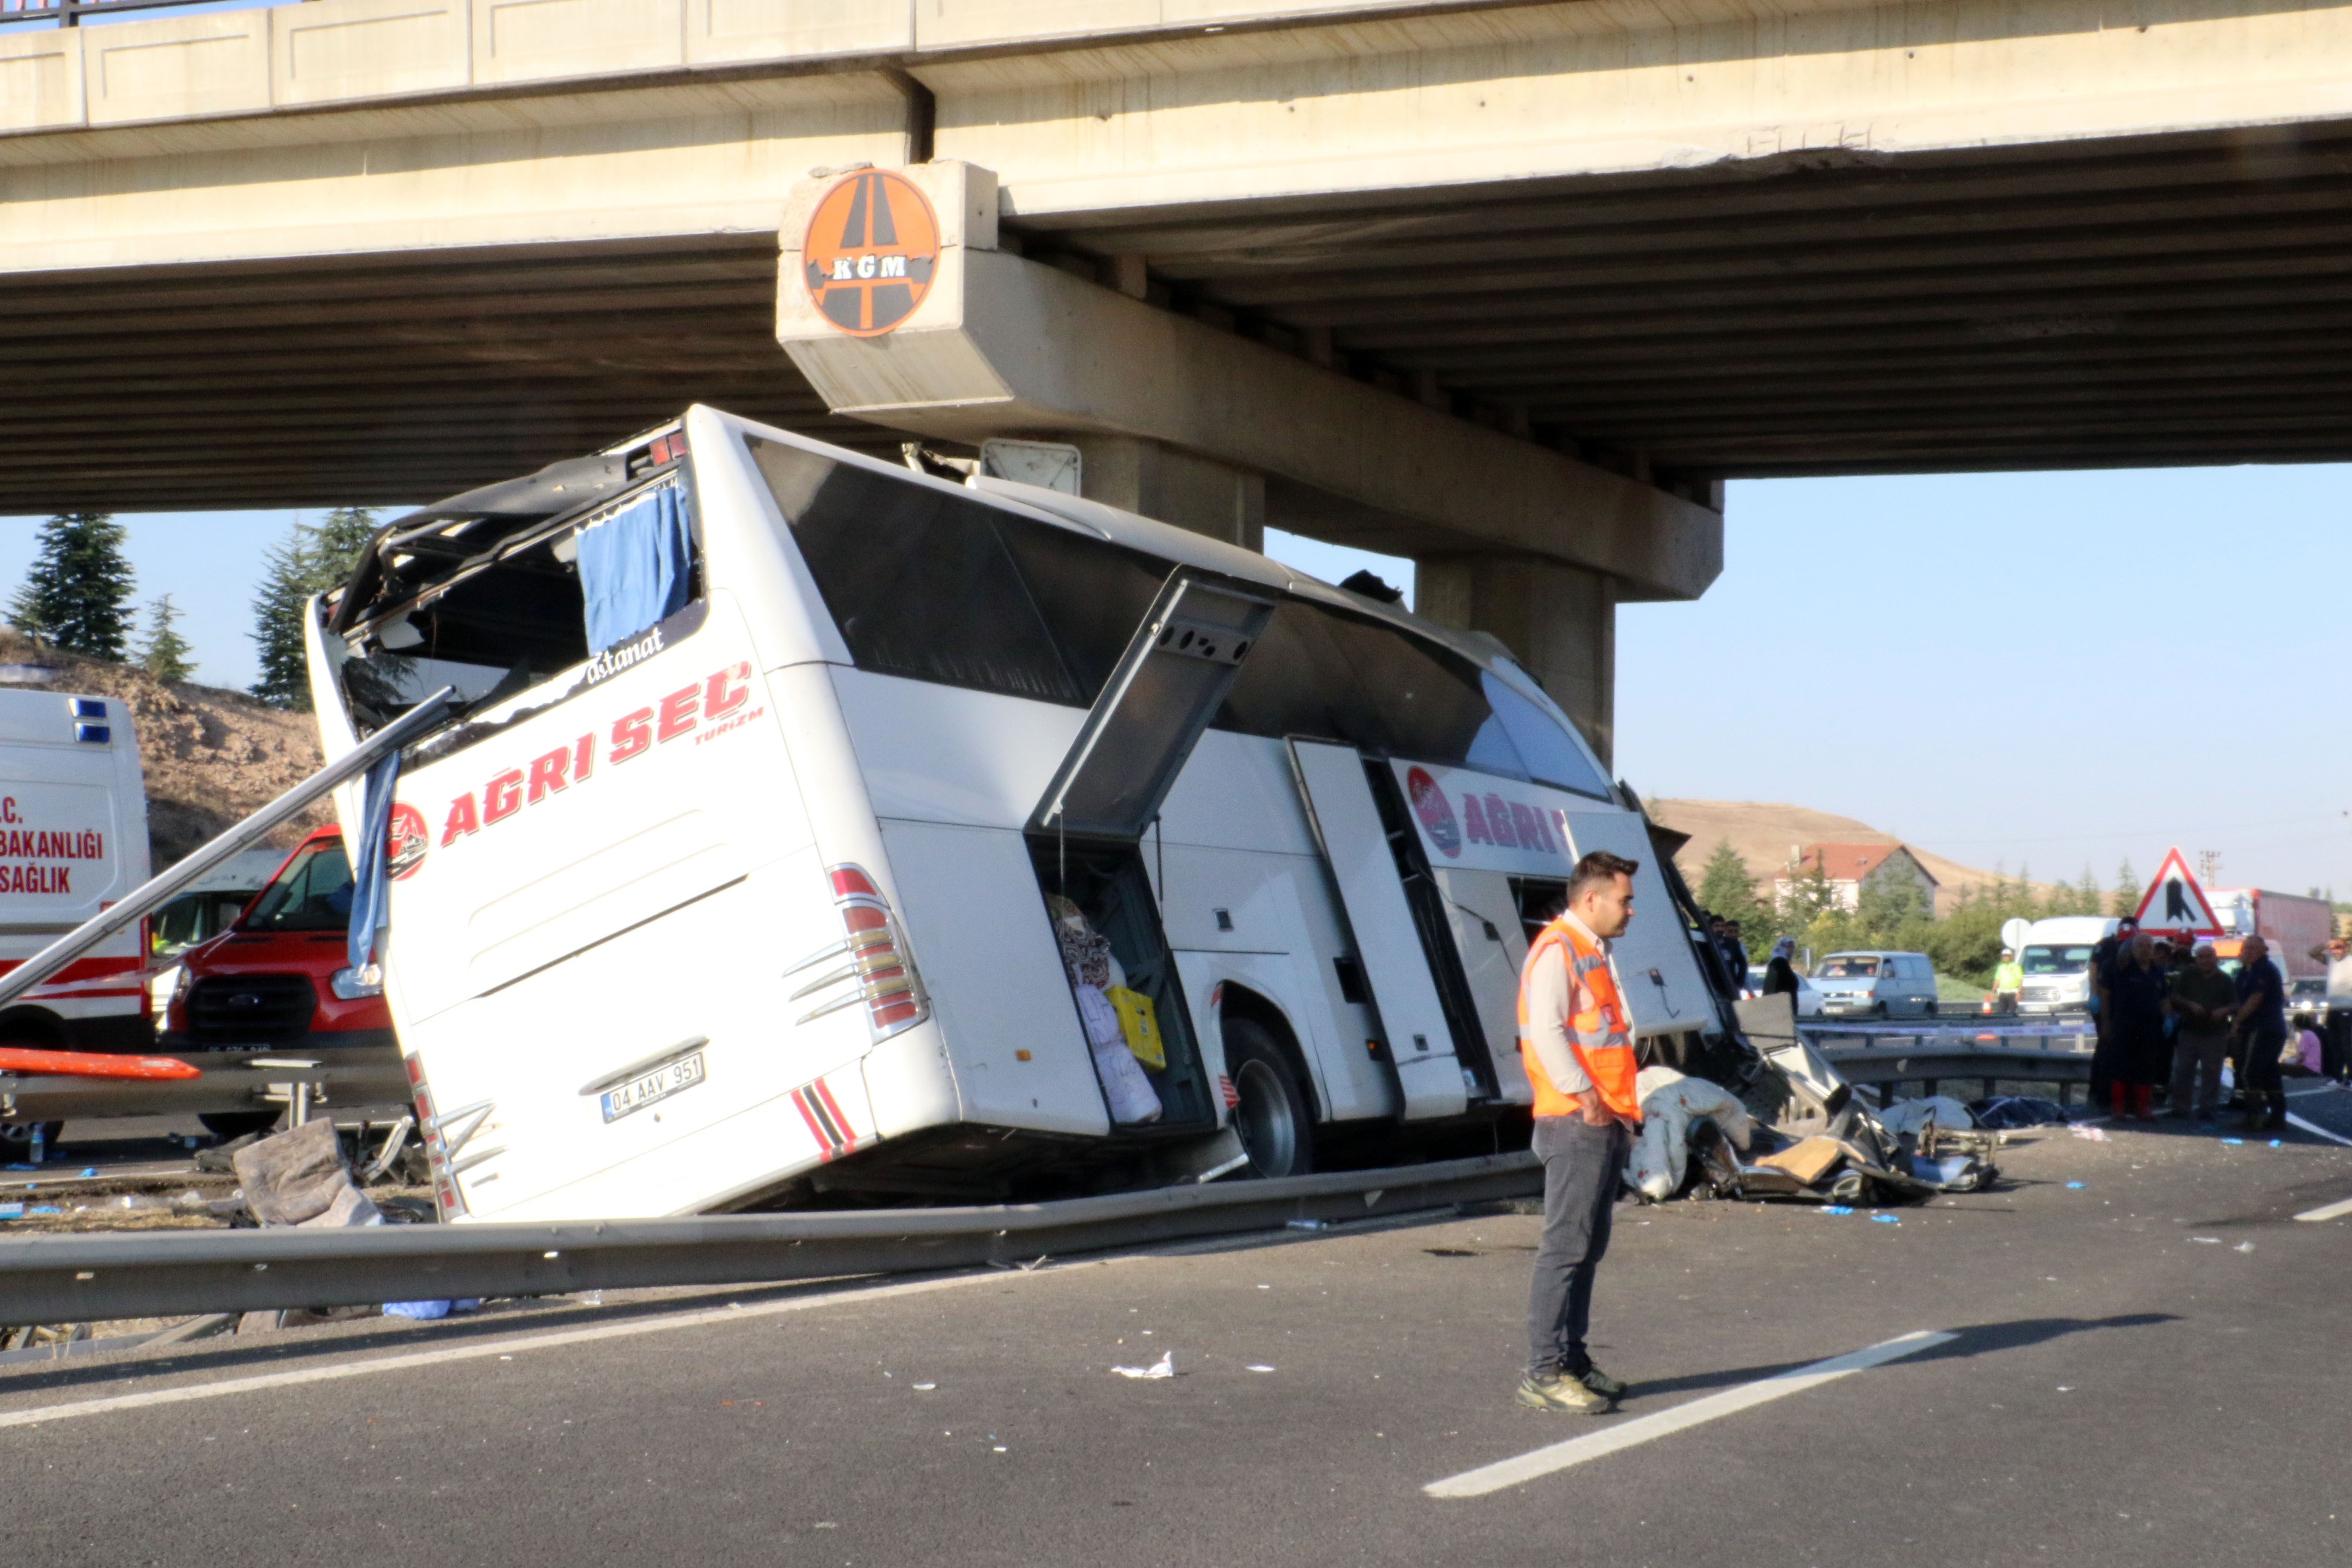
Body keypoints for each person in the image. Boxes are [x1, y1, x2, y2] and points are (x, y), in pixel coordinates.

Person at [1516, 849, 1644, 1416]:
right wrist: (1588, 1098)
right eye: (1625, 899)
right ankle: (1544, 1373)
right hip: (1576, 1120)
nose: (1631, 910)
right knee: (1566, 1248)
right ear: (1591, 899)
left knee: (1586, 1249)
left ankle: (1573, 1361)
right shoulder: (1559, 950)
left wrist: (1616, 1113)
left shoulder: (1591, 951)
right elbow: (1545, 1031)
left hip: (1603, 1119)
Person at [2100, 932, 2169, 1120]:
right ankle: (2118, 1108)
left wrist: (2168, 1018)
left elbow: (2164, 998)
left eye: (2149, 946)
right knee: (2121, 1066)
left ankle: (2143, 1109)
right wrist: (2106, 1023)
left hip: (2150, 1026)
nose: (2145, 950)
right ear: (2132, 949)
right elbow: (2104, 995)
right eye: (2140, 946)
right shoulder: (2121, 968)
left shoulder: (2157, 971)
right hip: (2124, 1024)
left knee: (2146, 1067)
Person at [2167, 943, 2236, 1122]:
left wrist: (2224, 1010)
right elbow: (2175, 997)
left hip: (2215, 1032)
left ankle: (2207, 1108)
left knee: (2212, 1073)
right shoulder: (2187, 976)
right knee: (2183, 1070)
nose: (2205, 961)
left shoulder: (2226, 980)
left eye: (2209, 957)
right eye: (2201, 957)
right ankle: (2181, 1107)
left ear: (2216, 959)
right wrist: (2190, 1005)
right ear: (2196, 960)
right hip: (2189, 1030)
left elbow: (2236, 1004)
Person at [2230, 934, 2289, 1133]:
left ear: (2263, 951)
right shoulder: (2246, 971)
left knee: (2250, 1072)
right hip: (2261, 1027)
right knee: (2269, 1072)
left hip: (2264, 1028)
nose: (2248, 952)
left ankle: (2254, 1116)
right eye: (2246, 948)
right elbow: (2238, 998)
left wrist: (2237, 1021)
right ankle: (2277, 1116)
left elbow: (2256, 999)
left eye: (2253, 949)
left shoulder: (2264, 970)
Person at [2305, 936, 2352, 1084]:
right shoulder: (2331, 961)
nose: (2335, 951)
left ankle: (2350, 1077)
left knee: (2347, 1044)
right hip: (2332, 1008)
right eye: (2333, 949)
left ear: (2347, 949)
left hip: (2347, 1008)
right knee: (2334, 1044)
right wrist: (2327, 944)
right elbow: (2312, 953)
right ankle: (2337, 1077)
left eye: (2339, 948)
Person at [1764, 936, 1801, 1001]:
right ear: (1782, 947)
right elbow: (1772, 985)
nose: (1792, 949)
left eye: (1793, 947)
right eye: (1789, 947)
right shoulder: (1779, 962)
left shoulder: (1783, 963)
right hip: (1780, 1005)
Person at [1993, 947, 2023, 1014]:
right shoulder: (2001, 967)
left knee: (2012, 1012)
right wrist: (1993, 992)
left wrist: (2019, 993)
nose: (2005, 958)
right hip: (2002, 993)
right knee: (2001, 1012)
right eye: (2004, 956)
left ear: (2011, 957)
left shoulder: (2016, 967)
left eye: (2007, 956)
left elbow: (2020, 981)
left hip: (2013, 993)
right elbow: (1997, 980)